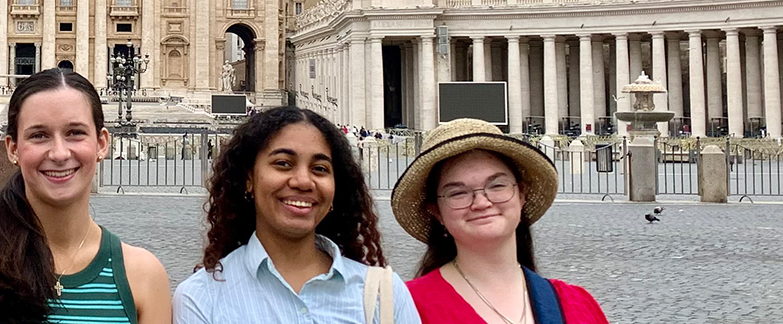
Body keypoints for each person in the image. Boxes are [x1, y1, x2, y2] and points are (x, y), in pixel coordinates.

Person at [0, 68, 171, 324]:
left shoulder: (144, 277)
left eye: (75, 132)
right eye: (39, 135)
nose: (59, 153)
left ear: (101, 144)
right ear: (13, 149)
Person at [175, 107, 420, 323]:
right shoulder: (200, 298)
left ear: (336, 189)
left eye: (320, 169)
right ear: (248, 180)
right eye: (283, 163)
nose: (303, 181)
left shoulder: (385, 294)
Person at [392, 118, 608, 323]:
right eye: (458, 193)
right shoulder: (406, 308)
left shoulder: (577, 304)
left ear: (521, 194)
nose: (481, 202)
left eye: (496, 186)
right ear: (436, 211)